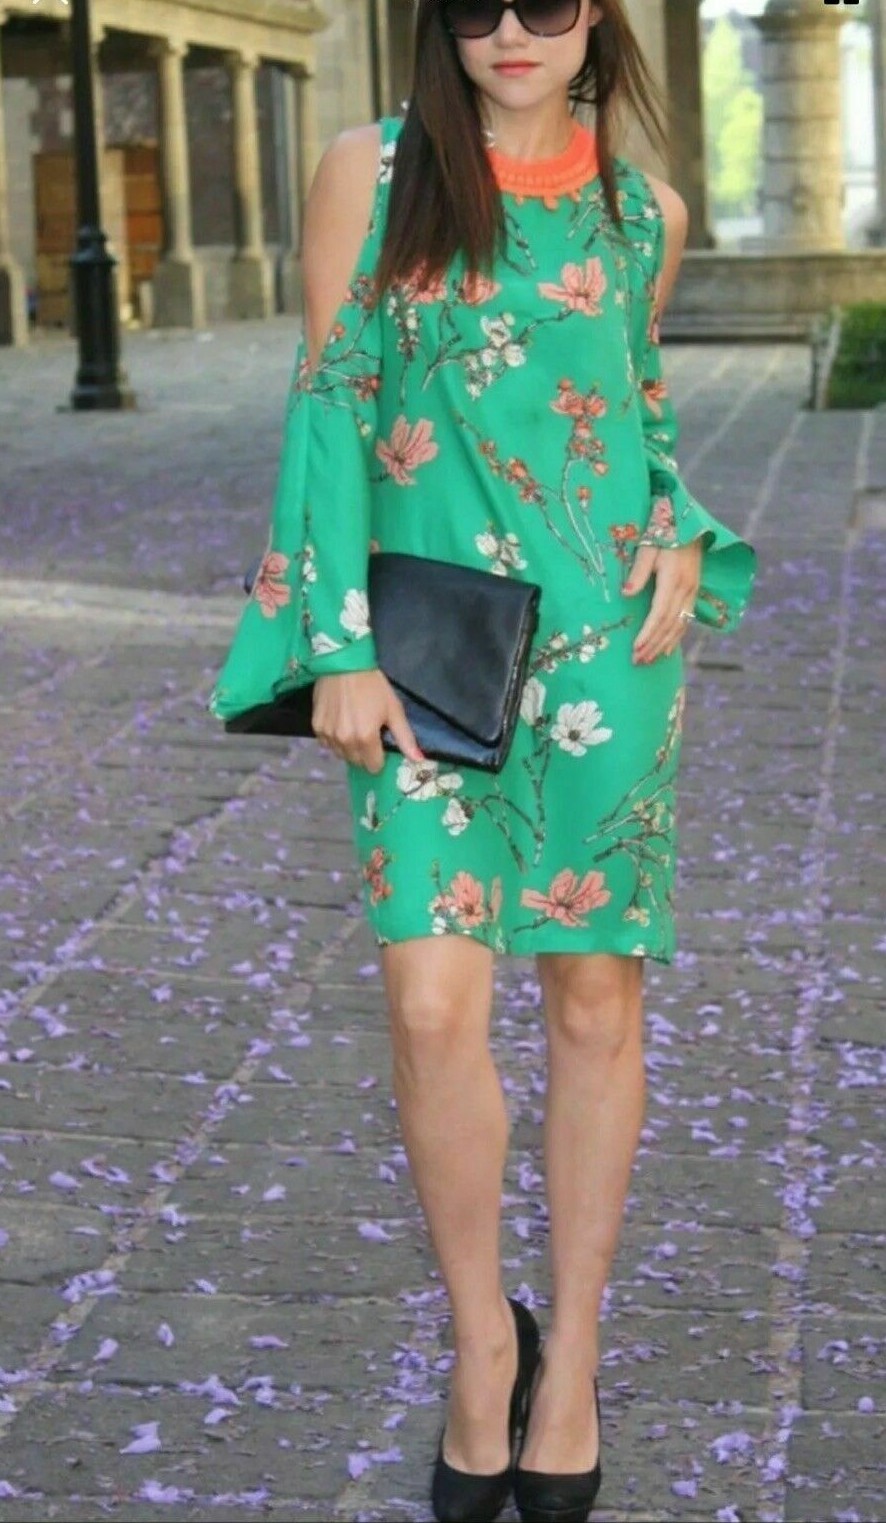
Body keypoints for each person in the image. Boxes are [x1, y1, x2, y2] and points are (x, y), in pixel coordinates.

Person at [211, 2, 756, 1518]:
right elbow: (330, 402)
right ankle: (480, 1347)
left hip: (603, 653)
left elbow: (631, 416)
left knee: (593, 997)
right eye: (475, 1)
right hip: (420, 658)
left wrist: (678, 530)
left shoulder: (643, 214)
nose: (512, 29)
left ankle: (569, 1361)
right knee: (430, 1002)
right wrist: (333, 643)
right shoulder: (371, 171)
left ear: (599, 20)